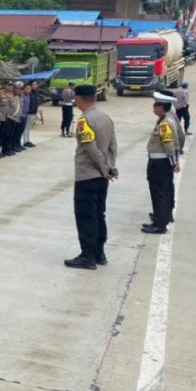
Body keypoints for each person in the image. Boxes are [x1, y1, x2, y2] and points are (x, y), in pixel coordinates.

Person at [64, 84, 118, 270]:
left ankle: (87, 255)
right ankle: (99, 252)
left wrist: (103, 169)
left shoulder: (84, 121)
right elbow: (113, 146)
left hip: (88, 175)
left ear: (79, 99)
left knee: (86, 215)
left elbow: (92, 149)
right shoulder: (106, 118)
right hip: (102, 177)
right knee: (99, 214)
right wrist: (110, 168)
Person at [143, 93, 180, 235]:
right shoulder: (163, 121)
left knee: (159, 193)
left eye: (155, 105)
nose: (153, 108)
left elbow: (169, 145)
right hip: (158, 161)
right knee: (158, 192)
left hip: (160, 163)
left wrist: (173, 163)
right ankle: (159, 219)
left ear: (161, 107)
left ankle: (160, 225)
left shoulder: (165, 124)